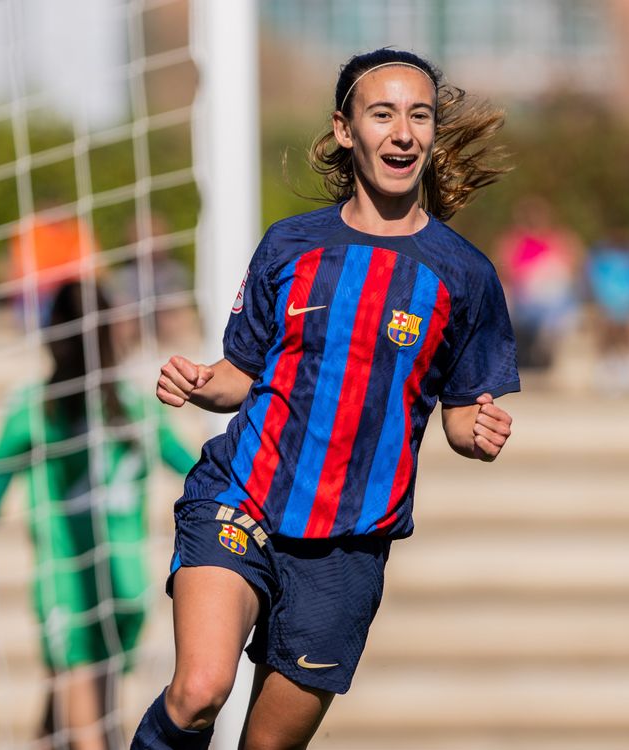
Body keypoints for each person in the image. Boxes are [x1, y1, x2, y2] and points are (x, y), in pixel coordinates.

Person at [130, 48, 518, 750]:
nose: (403, 132)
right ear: (345, 129)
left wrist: (479, 432)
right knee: (199, 690)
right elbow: (241, 374)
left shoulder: (466, 275)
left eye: (419, 115)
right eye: (383, 114)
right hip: (242, 497)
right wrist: (199, 382)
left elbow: (462, 416)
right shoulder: (290, 245)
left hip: (350, 543)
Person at [0, 281, 198, 750]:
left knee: (91, 735)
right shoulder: (138, 407)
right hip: (128, 587)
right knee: (55, 727)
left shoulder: (35, 409)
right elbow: (195, 469)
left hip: (69, 591)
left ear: (53, 337)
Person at [494, 194, 583, 370]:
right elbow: (504, 271)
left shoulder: (558, 240)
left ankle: (546, 344)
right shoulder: (514, 243)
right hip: (524, 300)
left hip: (552, 300)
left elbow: (573, 265)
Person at [584, 225, 629, 393]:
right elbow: (594, 285)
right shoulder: (601, 259)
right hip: (606, 306)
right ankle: (607, 370)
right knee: (606, 327)